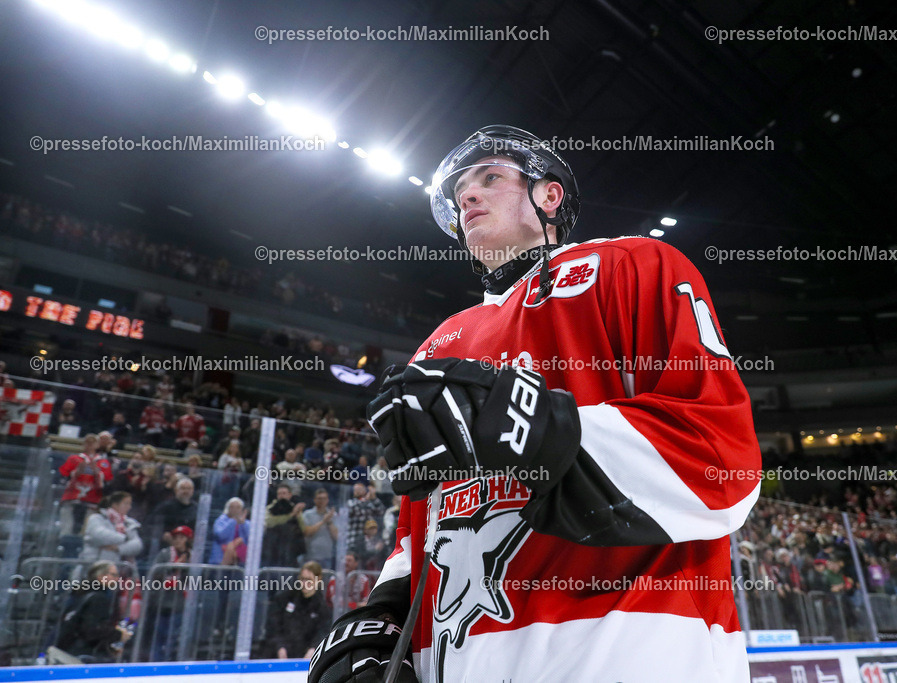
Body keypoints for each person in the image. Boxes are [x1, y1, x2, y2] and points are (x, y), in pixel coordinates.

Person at [307, 126, 761, 683]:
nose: (466, 196)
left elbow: (721, 461)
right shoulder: (438, 343)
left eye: (490, 178)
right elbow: (420, 527)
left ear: (549, 196)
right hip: (459, 658)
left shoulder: (632, 264)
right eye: (458, 192)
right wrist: (386, 613)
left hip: (634, 649)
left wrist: (535, 430)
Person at [55, 561, 133, 662]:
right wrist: (118, 635)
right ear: (100, 577)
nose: (117, 579)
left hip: (67, 649)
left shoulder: (79, 594)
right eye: (114, 575)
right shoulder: (98, 598)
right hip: (82, 654)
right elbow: (92, 630)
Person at [264, 561, 331, 659]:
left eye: (309, 580)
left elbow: (323, 632)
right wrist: (280, 646)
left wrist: (313, 648)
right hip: (280, 653)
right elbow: (274, 625)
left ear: (318, 580)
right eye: (302, 579)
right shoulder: (285, 598)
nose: (304, 584)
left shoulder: (322, 607)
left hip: (306, 657)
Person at [149, 526, 193, 662]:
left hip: (180, 604)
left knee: (173, 637)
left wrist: (185, 567)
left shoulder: (193, 556)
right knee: (159, 635)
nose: (178, 540)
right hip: (162, 602)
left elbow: (196, 579)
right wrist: (174, 567)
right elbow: (155, 574)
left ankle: (169, 661)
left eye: (182, 537)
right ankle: (156, 661)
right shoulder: (165, 554)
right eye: (176, 537)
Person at [58, 434, 113, 536]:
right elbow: (63, 476)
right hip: (72, 498)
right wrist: (77, 472)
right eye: (88, 442)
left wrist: (97, 473)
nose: (90, 445)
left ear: (97, 445)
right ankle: (65, 544)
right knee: (66, 528)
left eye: (93, 442)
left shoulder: (103, 462)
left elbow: (107, 481)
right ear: (84, 444)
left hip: (92, 500)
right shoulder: (74, 459)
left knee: (87, 531)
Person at [79, 492, 142, 568]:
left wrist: (118, 548)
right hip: (96, 566)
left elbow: (137, 545)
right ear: (115, 505)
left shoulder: (129, 523)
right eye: (126, 503)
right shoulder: (97, 518)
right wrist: (125, 539)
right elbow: (98, 535)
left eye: (130, 504)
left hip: (124, 569)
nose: (129, 507)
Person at [264, 484, 306, 567]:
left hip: (291, 548)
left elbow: (303, 528)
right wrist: (291, 515)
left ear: (289, 495)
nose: (281, 496)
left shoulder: (295, 508)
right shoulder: (269, 508)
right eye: (279, 493)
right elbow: (269, 522)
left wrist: (297, 515)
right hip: (273, 547)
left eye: (284, 493)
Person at [302, 488, 338, 570]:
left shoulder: (333, 515)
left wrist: (329, 522)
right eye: (319, 498)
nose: (322, 501)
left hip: (328, 556)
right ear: (314, 500)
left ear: (328, 500)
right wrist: (323, 521)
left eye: (324, 498)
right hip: (311, 555)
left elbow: (336, 536)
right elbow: (307, 532)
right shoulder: (308, 514)